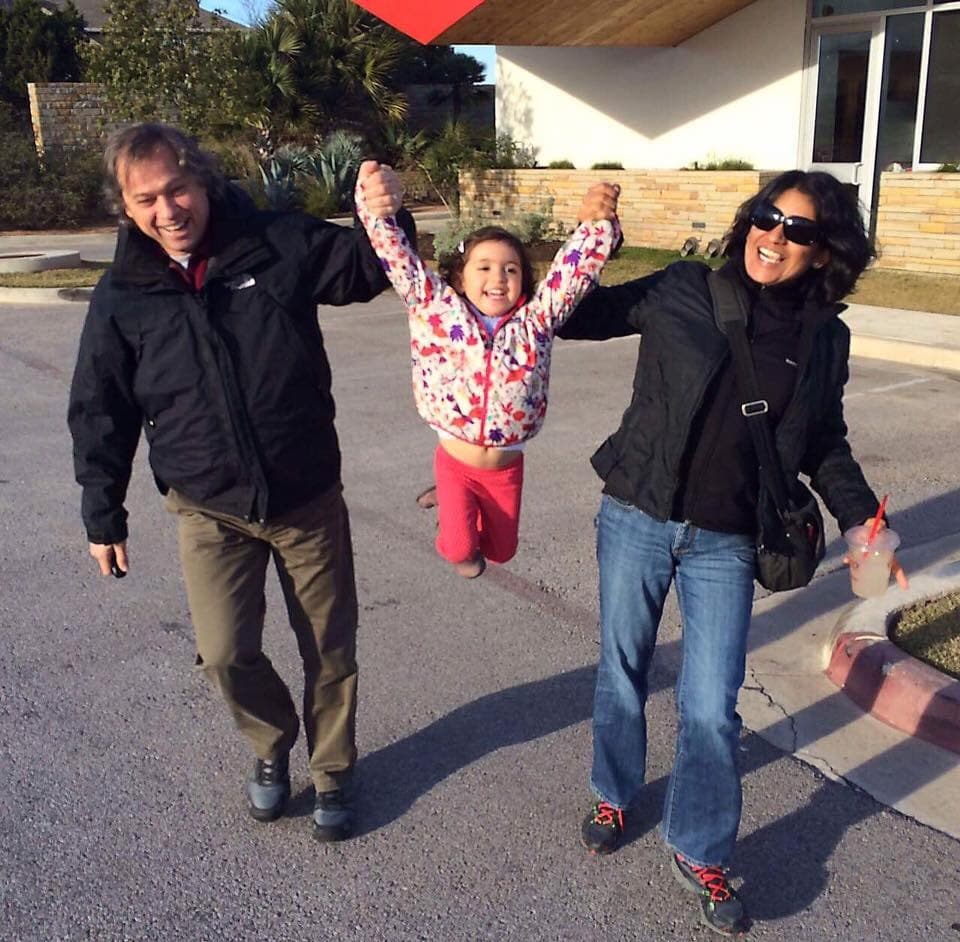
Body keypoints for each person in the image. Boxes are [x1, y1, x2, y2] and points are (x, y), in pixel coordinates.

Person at [557, 171, 908, 936]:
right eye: (766, 216)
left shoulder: (824, 339)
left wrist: (861, 522)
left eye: (799, 230)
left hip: (727, 540)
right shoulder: (683, 288)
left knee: (711, 707)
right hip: (636, 513)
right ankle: (615, 792)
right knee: (622, 671)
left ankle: (698, 845)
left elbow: (824, 444)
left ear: (825, 253)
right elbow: (572, 316)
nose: (774, 236)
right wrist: (589, 236)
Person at [67, 123, 411, 840]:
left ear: (204, 181)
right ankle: (270, 742)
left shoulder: (273, 241)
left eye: (178, 189)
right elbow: (101, 409)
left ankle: (335, 769)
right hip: (208, 507)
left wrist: (385, 214)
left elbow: (362, 269)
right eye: (147, 199)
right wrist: (104, 516)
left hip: (304, 494)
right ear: (126, 209)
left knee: (329, 647)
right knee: (224, 653)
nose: (169, 210)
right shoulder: (122, 294)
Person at [356, 166, 621, 578]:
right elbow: (397, 257)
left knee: (502, 552)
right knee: (465, 556)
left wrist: (597, 226)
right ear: (460, 277)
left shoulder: (537, 320)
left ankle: (455, 505)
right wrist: (375, 208)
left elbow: (573, 276)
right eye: (484, 267)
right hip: (455, 460)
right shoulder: (435, 308)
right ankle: (451, 505)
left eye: (510, 269)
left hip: (505, 467)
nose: (498, 277)